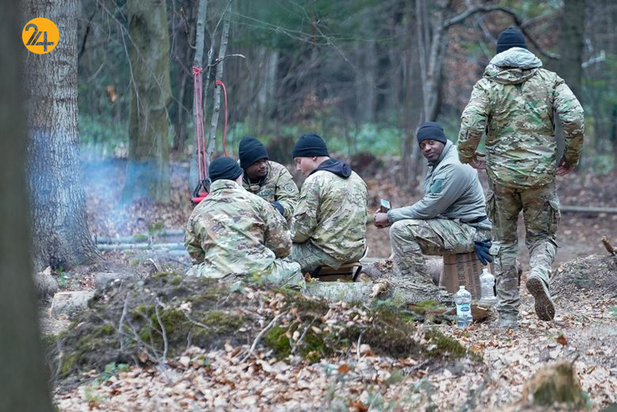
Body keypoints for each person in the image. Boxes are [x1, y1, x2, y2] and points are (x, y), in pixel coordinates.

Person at [457, 27, 585, 328]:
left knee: (503, 242)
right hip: (540, 176)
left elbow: (471, 123)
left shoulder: (487, 85)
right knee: (542, 236)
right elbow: (574, 117)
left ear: (499, 54)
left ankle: (509, 316)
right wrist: (571, 155)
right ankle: (539, 272)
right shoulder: (550, 81)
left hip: (501, 177)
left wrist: (467, 154)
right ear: (526, 52)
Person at [374, 122, 493, 292]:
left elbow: (428, 209)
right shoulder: (442, 160)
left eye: (431, 142)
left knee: (401, 230)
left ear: (442, 141)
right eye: (422, 145)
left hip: (472, 230)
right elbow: (431, 204)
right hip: (459, 224)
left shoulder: (452, 166)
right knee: (404, 226)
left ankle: (420, 292)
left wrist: (391, 216)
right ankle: (418, 287)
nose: (427, 149)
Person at [184, 157, 303, 287]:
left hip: (216, 279)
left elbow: (195, 254)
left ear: (212, 181)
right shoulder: (259, 203)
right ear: (239, 176)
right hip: (260, 276)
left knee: (189, 274)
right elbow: (283, 246)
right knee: (293, 270)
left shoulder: (198, 211)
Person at [289, 133, 369, 273]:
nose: (297, 167)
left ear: (313, 156)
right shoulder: (356, 178)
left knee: (275, 252)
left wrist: (285, 234)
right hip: (356, 253)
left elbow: (301, 231)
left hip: (326, 254)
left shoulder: (315, 181)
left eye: (299, 161)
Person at [238, 136, 299, 220]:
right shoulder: (235, 175)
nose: (263, 165)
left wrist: (276, 208)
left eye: (264, 160)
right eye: (257, 163)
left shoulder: (278, 172)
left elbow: (292, 201)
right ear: (246, 166)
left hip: (275, 222)